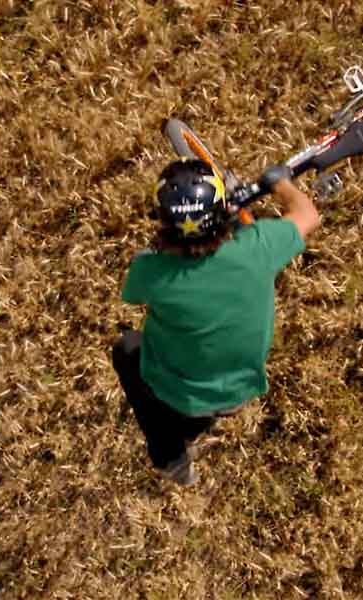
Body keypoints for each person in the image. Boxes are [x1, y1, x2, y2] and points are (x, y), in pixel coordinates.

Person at [111, 158, 321, 486]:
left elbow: (133, 296)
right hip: (241, 390)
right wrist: (280, 182)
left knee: (126, 348)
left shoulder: (148, 273)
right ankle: (193, 427)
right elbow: (308, 215)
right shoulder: (259, 247)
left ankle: (169, 455)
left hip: (180, 396)